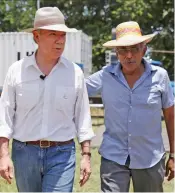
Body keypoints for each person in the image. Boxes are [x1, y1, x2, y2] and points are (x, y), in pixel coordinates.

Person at [0, 7, 94, 192]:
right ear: (36, 36)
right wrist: (3, 155)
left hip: (62, 154)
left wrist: (86, 155)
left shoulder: (75, 73)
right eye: (53, 34)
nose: (60, 41)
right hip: (24, 153)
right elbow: (5, 116)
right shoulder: (16, 71)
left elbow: (83, 117)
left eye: (63, 35)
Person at [86, 21, 174, 192]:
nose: (129, 55)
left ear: (144, 49)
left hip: (150, 159)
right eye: (123, 50)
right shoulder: (105, 75)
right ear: (116, 52)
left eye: (134, 48)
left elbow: (171, 116)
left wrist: (173, 155)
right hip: (114, 157)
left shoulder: (160, 77)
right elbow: (75, 88)